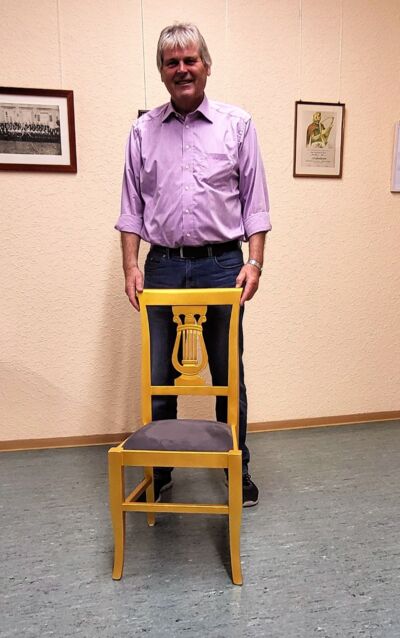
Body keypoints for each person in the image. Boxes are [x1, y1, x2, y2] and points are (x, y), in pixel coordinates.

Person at [115, 22, 271, 507]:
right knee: (159, 374)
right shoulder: (142, 131)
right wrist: (130, 266)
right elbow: (130, 209)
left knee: (227, 374)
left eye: (190, 60)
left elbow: (255, 203)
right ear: (162, 72)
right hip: (162, 267)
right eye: (172, 63)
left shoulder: (237, 125)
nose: (182, 69)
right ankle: (160, 472)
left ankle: (236, 466)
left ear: (206, 66)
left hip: (222, 265)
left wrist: (255, 261)